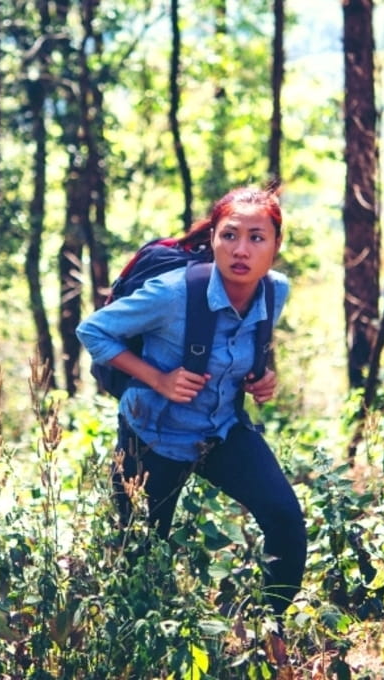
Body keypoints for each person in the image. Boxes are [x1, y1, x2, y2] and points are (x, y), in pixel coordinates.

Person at [76, 186, 307, 618]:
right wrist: (158, 379)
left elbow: (242, 345)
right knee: (141, 558)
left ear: (276, 245)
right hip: (152, 435)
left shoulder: (275, 291)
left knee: (286, 521)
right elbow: (93, 330)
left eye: (257, 238)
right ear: (213, 238)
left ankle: (268, 627)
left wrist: (260, 376)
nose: (241, 250)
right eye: (229, 235)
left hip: (221, 431)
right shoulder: (173, 294)